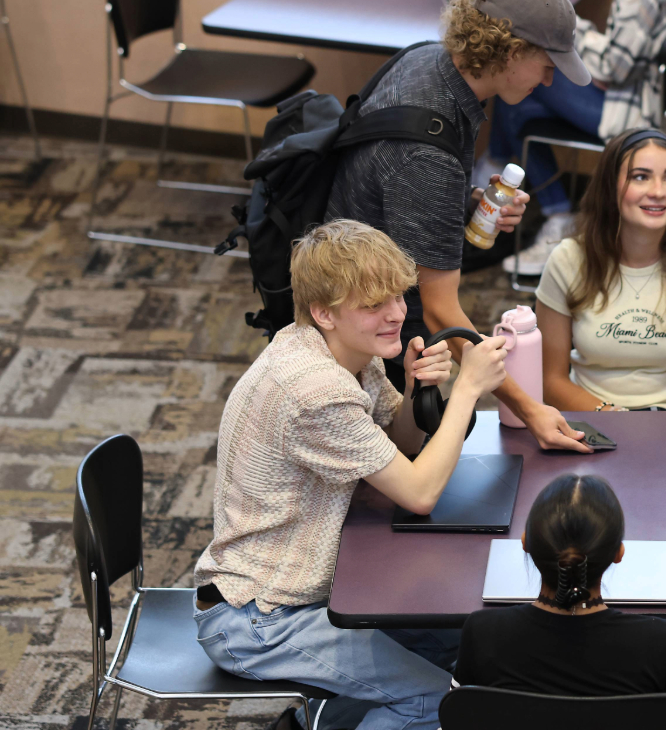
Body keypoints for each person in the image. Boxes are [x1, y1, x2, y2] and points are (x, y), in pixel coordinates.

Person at [193, 220, 510, 730]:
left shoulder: (337, 351)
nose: (394, 316)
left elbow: (395, 448)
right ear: (324, 312)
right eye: (371, 306)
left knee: (460, 639)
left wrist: (410, 389)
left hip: (299, 596)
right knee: (433, 700)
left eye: (397, 297)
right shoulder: (315, 388)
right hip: (259, 618)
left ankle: (309, 724)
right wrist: (468, 390)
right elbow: (420, 491)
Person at [325, 0, 592, 454]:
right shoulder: (428, 149)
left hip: (357, 272)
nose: (551, 79)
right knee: (398, 471)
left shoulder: (427, 58)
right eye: (547, 64)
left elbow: (399, 183)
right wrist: (530, 409)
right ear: (511, 53)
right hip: (363, 326)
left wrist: (464, 201)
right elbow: (442, 314)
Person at [480, 0, 666, 276]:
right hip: (657, 100)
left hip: (637, 111)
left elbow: (614, 66)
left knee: (518, 80)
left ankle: (542, 205)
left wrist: (575, 27)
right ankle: (501, 174)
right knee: (522, 97)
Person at [535, 128, 666, 412]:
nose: (658, 192)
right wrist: (614, 421)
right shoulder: (568, 260)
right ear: (609, 187)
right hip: (594, 418)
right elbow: (551, 382)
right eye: (640, 177)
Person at [454, 473, 666, 695]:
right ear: (619, 553)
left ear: (525, 542)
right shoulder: (656, 642)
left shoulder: (482, 633)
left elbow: (458, 716)